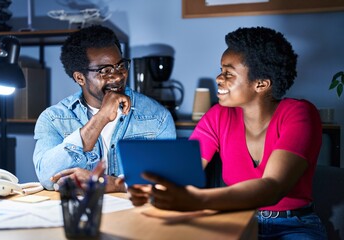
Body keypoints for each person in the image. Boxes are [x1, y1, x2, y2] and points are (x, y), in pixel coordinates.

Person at [128, 27, 327, 239]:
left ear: (261, 84)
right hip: (235, 219)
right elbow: (182, 172)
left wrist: (199, 199)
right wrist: (152, 188)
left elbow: (273, 187)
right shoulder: (218, 116)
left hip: (292, 225)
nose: (218, 78)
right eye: (221, 70)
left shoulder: (300, 114)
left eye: (228, 73)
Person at [33, 25, 176, 192]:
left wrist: (113, 184)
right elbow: (47, 178)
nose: (117, 76)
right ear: (80, 78)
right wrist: (101, 118)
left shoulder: (157, 117)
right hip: (81, 213)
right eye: (105, 70)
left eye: (121, 66)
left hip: (134, 214)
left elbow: (168, 182)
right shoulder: (53, 119)